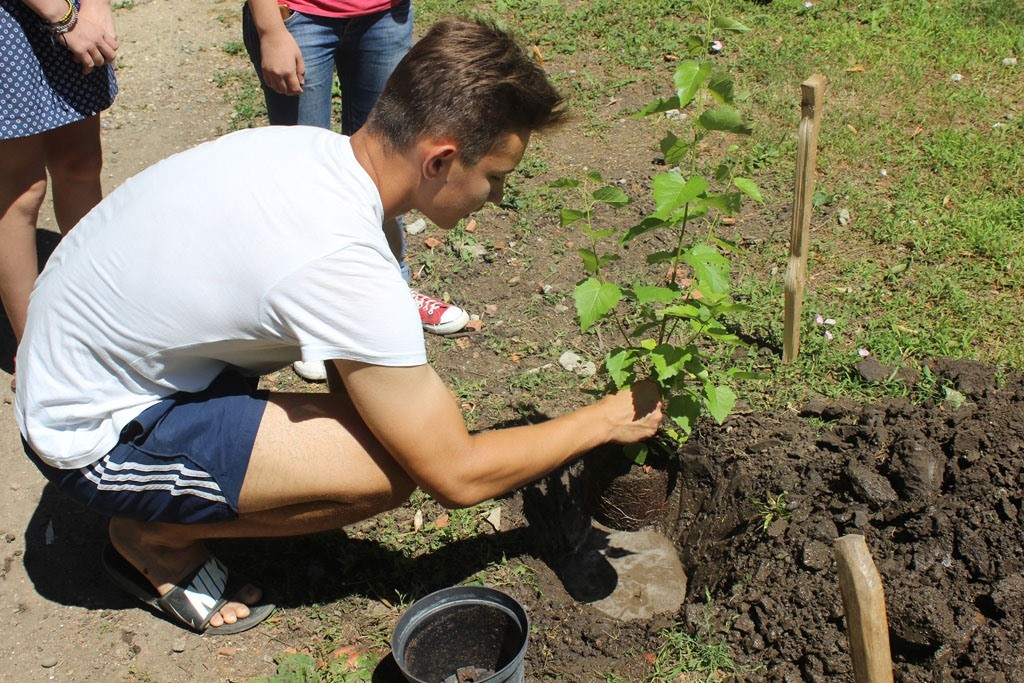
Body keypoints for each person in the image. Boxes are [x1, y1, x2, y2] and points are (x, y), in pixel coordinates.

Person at [15, 18, 663, 635]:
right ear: (439, 160)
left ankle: (181, 482)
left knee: (388, 424)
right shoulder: (343, 262)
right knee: (388, 469)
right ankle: (150, 540)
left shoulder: (313, 153)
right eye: (494, 178)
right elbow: (455, 475)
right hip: (85, 425)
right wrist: (605, 418)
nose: (495, 198)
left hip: (90, 345)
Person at [242, 0, 469, 382]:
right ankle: (312, 321)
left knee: (386, 164)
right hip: (297, 16)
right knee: (303, 171)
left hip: (384, 16)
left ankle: (391, 293)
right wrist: (270, 29)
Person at [0, 0, 118, 378]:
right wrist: (63, 17)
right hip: (13, 21)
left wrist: (96, 7)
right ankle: (35, 352)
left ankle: (95, 322)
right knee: (21, 189)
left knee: (81, 165)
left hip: (73, 11)